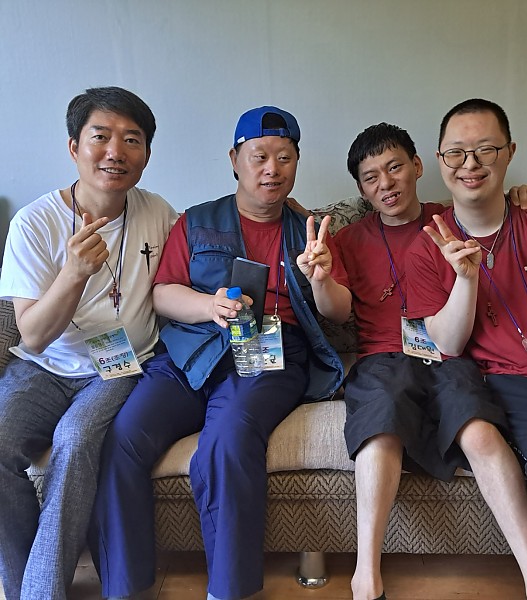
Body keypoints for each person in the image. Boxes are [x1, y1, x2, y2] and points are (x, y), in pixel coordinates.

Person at [88, 105, 352, 600]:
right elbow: (163, 292)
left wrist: (321, 278)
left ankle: (228, 591)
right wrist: (208, 306)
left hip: (270, 353)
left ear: (297, 162)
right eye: (259, 157)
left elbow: (339, 311)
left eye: (284, 157)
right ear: (234, 159)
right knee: (123, 438)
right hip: (192, 350)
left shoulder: (311, 231)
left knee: (227, 440)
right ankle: (124, 586)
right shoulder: (196, 221)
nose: (271, 169)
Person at [335, 122, 527, 600]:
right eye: (371, 177)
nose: (386, 184)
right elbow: (332, 307)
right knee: (380, 420)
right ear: (360, 188)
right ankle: (365, 575)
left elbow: (503, 217)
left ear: (419, 166)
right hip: (383, 358)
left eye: (395, 167)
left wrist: (524, 195)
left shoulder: (453, 219)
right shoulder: (347, 238)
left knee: (478, 426)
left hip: (450, 353)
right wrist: (317, 276)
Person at [406, 98, 527, 600]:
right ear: (440, 160)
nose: (470, 164)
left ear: (510, 152)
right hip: (513, 377)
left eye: (485, 149)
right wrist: (465, 279)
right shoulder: (427, 246)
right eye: (456, 152)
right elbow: (446, 344)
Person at [0, 87, 177, 600]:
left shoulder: (157, 212)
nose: (115, 152)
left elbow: (209, 239)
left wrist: (283, 211)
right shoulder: (34, 222)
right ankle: (24, 584)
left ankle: (41, 592)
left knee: (75, 441)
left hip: (119, 366)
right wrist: (74, 273)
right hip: (44, 366)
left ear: (146, 155)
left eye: (132, 140)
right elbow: (33, 335)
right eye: (101, 137)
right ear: (74, 147)